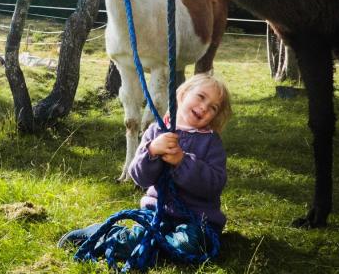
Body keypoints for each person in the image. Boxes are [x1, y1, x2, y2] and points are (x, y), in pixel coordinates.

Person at [59, 73, 232, 262]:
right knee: (137, 238)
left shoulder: (211, 142)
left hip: (197, 220)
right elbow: (140, 177)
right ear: (183, 94)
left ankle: (151, 246)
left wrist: (183, 162)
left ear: (215, 116)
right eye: (201, 97)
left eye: (213, 107)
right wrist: (151, 151)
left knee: (188, 245)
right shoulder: (157, 131)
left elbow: (214, 184)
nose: (204, 107)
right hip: (157, 212)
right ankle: (102, 235)